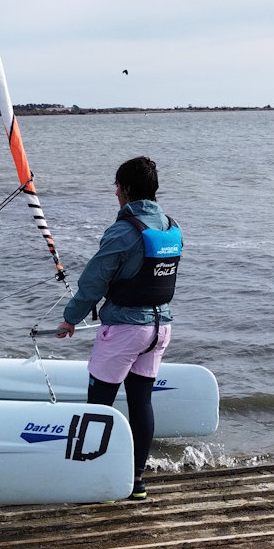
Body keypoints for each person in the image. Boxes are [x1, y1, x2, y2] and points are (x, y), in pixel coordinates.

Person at [55, 156, 181, 500]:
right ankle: (136, 480)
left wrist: (70, 318)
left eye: (116, 186)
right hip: (160, 328)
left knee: (99, 404)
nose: (114, 192)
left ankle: (92, 476)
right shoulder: (170, 227)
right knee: (141, 402)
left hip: (126, 330)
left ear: (124, 190)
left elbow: (94, 280)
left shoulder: (123, 231)